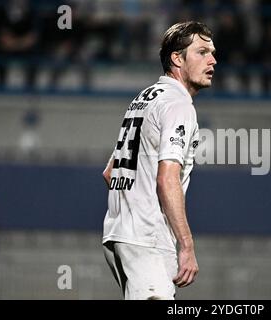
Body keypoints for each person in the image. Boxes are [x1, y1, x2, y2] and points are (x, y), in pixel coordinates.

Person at [102, 21, 216, 300]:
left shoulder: (144, 98)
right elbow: (167, 179)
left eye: (213, 52)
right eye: (202, 52)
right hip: (147, 238)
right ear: (177, 58)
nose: (213, 59)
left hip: (119, 234)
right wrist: (187, 245)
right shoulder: (178, 104)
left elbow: (110, 171)